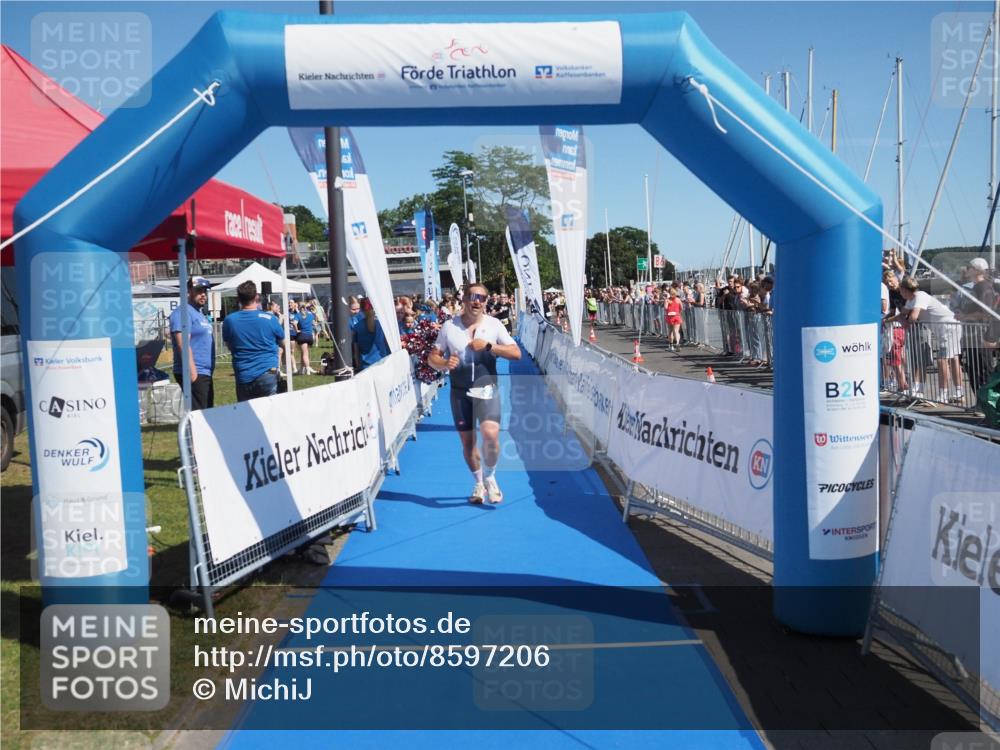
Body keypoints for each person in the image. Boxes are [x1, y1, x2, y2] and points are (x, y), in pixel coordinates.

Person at [428, 283, 521, 505]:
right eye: (472, 296)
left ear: (486, 302)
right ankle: (478, 482)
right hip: (459, 392)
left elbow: (516, 353)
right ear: (465, 299)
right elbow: (433, 357)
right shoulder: (449, 327)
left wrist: (489, 346)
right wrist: (443, 362)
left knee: (490, 435)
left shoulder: (494, 325)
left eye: (482, 297)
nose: (477, 301)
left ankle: (490, 477)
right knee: (468, 444)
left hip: (486, 387)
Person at [895, 276, 964, 403]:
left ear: (905, 290)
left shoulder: (920, 296)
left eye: (900, 290)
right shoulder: (911, 300)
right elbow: (902, 314)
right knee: (953, 359)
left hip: (948, 327)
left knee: (942, 360)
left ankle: (943, 395)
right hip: (946, 328)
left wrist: (904, 322)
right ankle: (959, 392)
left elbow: (913, 317)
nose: (899, 293)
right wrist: (899, 319)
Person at [223, 281, 288, 401]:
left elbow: (229, 345)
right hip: (268, 372)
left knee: (246, 414)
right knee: (271, 412)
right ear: (256, 297)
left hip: (243, 374)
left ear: (239, 299)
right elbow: (284, 344)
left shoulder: (230, 320)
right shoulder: (270, 319)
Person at [169, 276, 215, 410]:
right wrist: (192, 372)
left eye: (205, 291)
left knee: (207, 411)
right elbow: (182, 343)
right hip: (195, 371)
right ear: (189, 291)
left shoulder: (199, 314)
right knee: (200, 415)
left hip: (204, 372)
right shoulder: (182, 313)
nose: (203, 295)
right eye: (199, 291)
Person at [352, 299, 391, 371]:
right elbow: (387, 344)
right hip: (382, 362)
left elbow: (356, 349)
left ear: (361, 310)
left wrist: (357, 365)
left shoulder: (357, 326)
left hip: (365, 365)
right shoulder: (382, 325)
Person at [294, 299, 317, 375]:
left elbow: (294, 323)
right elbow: (314, 323)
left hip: (302, 336)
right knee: (304, 353)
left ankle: (307, 369)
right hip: (310, 336)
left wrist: (296, 330)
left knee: (304, 354)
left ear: (299, 307)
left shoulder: (298, 315)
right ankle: (302, 369)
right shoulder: (310, 315)